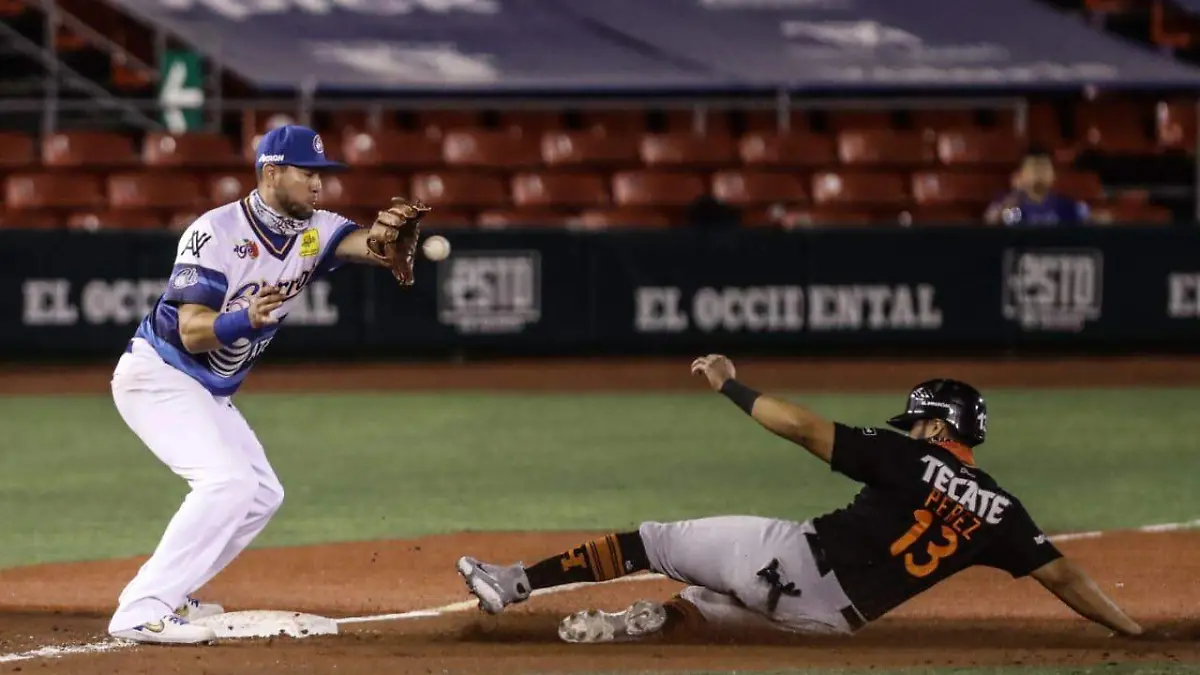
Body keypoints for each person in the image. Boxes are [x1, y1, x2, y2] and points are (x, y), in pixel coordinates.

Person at [456, 355, 1143, 644]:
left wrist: (732, 384)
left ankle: (511, 582)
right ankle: (641, 625)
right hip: (831, 619)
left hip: (793, 560)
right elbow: (1065, 575)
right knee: (707, 605)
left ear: (937, 426)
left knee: (655, 541)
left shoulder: (911, 454)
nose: (914, 429)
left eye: (919, 421)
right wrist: (1134, 633)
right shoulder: (1001, 509)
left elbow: (807, 429)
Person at [107, 125, 427, 644]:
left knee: (261, 495)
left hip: (207, 389)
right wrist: (241, 321)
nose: (319, 184)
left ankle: (178, 592)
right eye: (307, 173)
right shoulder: (215, 233)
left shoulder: (315, 228)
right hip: (158, 375)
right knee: (228, 483)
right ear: (271, 171)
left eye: (322, 174)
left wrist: (388, 244)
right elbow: (191, 333)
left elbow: (365, 244)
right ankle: (141, 609)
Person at [984, 149, 1090, 227]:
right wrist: (1015, 195)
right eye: (1034, 167)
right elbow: (991, 221)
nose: (1039, 173)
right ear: (1020, 174)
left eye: (1044, 167)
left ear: (1054, 175)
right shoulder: (1011, 205)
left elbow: (1091, 221)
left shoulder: (1067, 207)